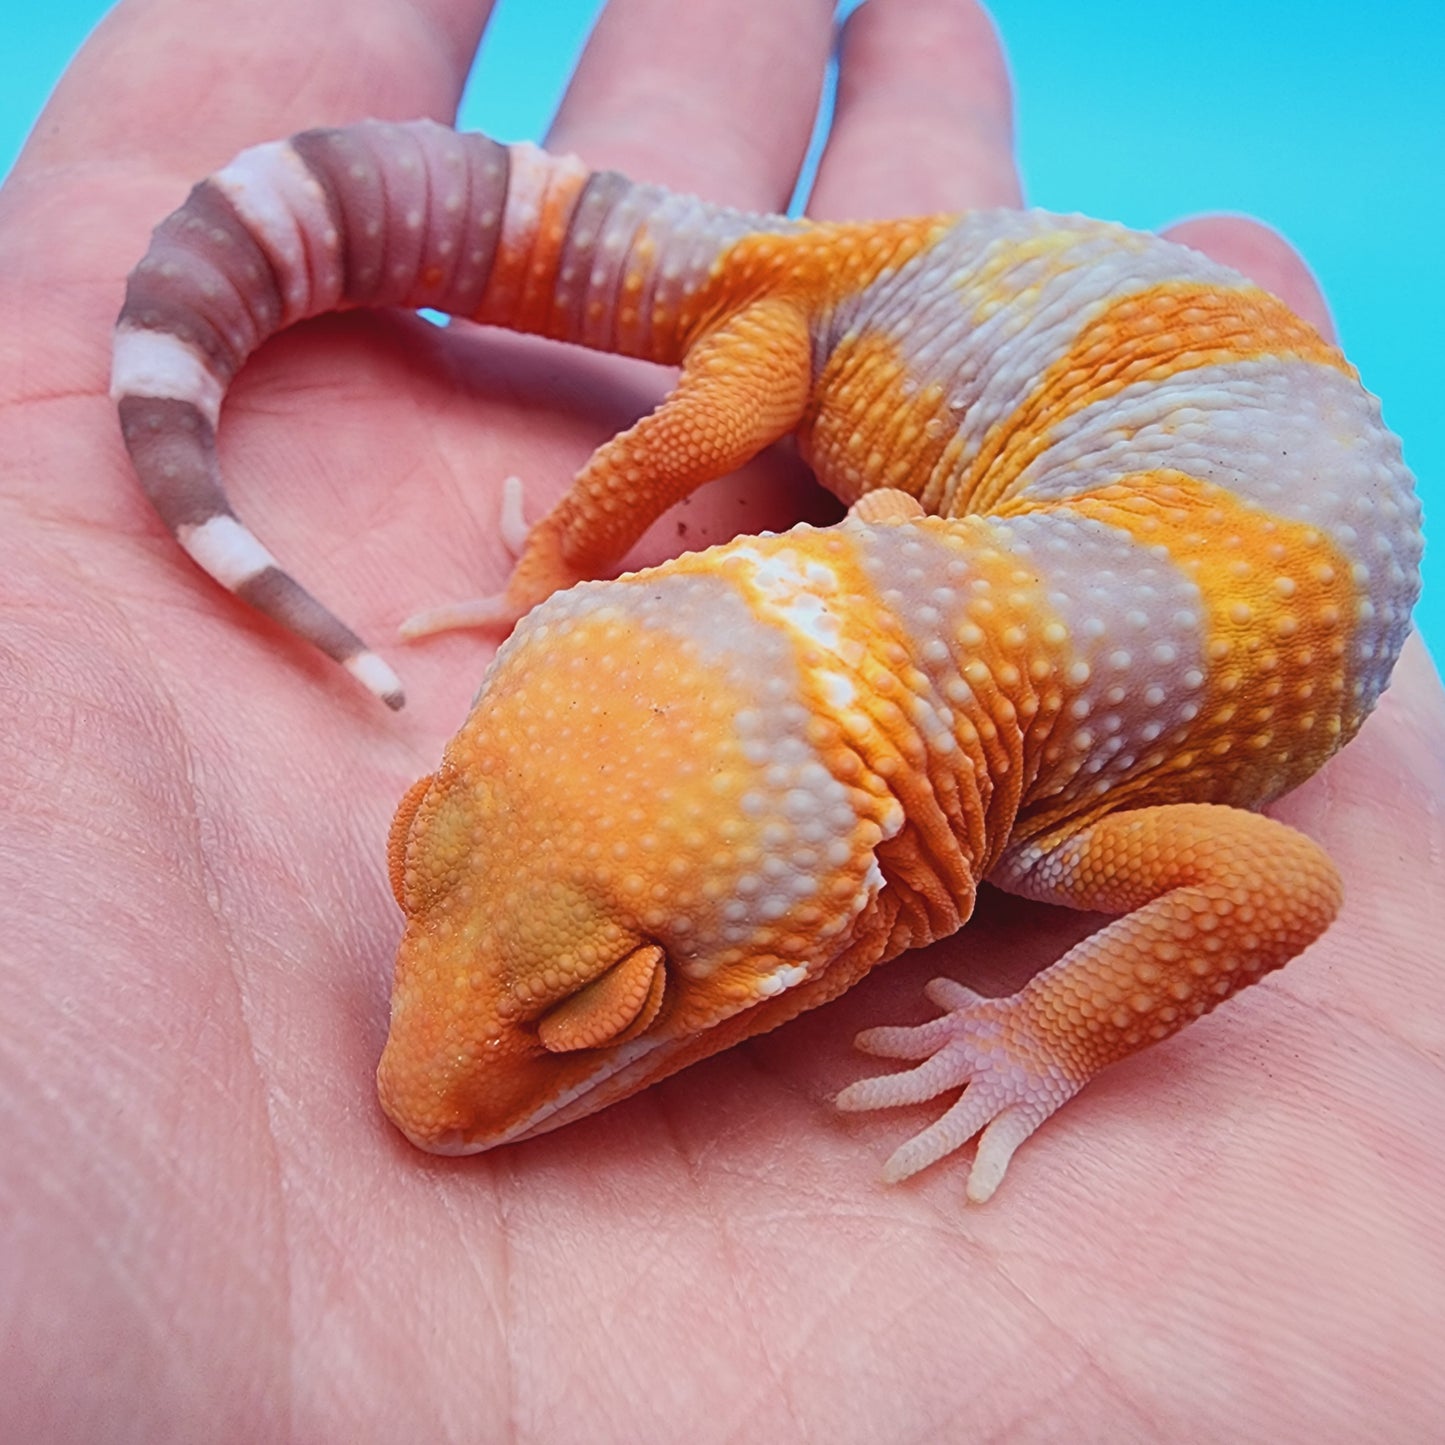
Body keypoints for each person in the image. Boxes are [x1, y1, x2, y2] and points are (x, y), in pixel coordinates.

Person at [2, 0, 1441, 1438]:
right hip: (1008, 329)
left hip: (1060, 344)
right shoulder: (917, 634)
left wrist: (1046, 1036)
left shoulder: (1036, 810)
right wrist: (558, 576)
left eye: (592, 1004)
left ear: (875, 856)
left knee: (752, 405)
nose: (420, 1077)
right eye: (421, 854)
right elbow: (890, 540)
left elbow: (1277, 880)